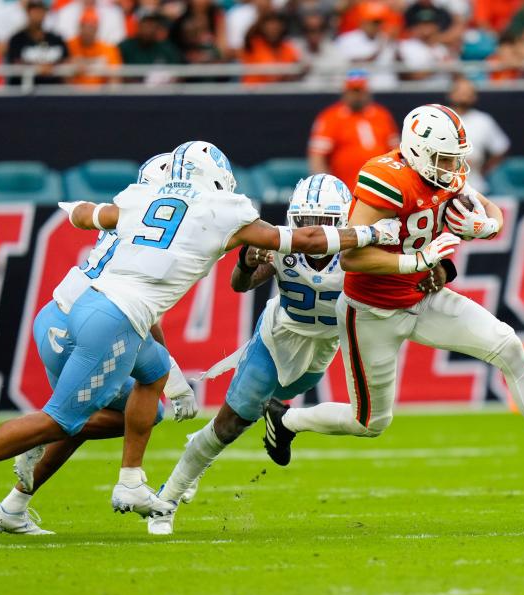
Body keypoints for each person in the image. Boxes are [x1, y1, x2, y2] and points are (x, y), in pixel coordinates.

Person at [0, 140, 403, 530]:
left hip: (71, 308)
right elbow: (302, 240)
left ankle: (107, 483)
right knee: (67, 420)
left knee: (151, 382)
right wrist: (368, 235)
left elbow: (94, 214)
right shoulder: (223, 208)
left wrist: (72, 209)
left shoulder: (140, 199)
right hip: (111, 319)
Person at [259, 104, 524, 490]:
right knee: (370, 422)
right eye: (444, 159)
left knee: (509, 347)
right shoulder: (386, 178)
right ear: (418, 151)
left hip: (423, 298)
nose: (453, 168)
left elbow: (486, 207)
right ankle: (286, 419)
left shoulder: (445, 174)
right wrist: (416, 262)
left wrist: (489, 225)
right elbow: (352, 256)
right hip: (371, 311)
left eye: (456, 159)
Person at [149, 174, 449, 535]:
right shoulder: (280, 243)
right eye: (307, 222)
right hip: (280, 336)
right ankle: (167, 500)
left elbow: (416, 266)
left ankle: (218, 442)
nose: (315, 231)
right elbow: (240, 284)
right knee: (231, 422)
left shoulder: (361, 249)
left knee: (275, 413)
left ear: (345, 222)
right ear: (294, 220)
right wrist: (246, 261)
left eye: (324, 222)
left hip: (325, 348)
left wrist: (439, 272)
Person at [0, 155, 198, 535]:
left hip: (63, 319)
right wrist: (177, 381)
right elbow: (142, 313)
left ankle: (13, 506)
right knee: (74, 419)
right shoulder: (150, 230)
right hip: (85, 328)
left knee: (84, 419)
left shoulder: (134, 218)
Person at [308, 70, 399, 191]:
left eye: (360, 91)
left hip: (382, 187)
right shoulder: (331, 116)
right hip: (345, 189)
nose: (357, 96)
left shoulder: (381, 114)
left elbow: (396, 152)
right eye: (353, 91)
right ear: (345, 92)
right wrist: (326, 187)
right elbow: (317, 156)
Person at [447, 76, 510, 194]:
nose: (464, 95)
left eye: (468, 93)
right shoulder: (439, 118)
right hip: (442, 185)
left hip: (475, 185)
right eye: (460, 91)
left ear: (474, 97)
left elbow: (501, 147)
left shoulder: (483, 120)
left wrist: (484, 168)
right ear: (451, 94)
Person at [7, 0, 69, 86]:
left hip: (54, 91)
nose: (38, 15)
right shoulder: (17, 39)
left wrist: (53, 67)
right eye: (34, 11)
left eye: (41, 11)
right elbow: (15, 63)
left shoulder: (56, 39)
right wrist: (38, 68)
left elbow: (66, 60)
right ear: (28, 13)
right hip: (24, 92)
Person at [240, 12, 301, 85]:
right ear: (262, 27)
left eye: (276, 26)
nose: (273, 30)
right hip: (254, 92)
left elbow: (294, 71)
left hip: (280, 92)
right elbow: (247, 36)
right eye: (269, 26)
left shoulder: (288, 48)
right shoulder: (252, 45)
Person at [118, 10, 182, 68]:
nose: (148, 29)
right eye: (145, 25)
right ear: (138, 26)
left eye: (151, 25)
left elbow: (177, 71)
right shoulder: (125, 46)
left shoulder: (166, 48)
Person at [47, 0, 126, 46]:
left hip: (105, 57)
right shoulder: (65, 12)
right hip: (74, 56)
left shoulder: (114, 12)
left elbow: (118, 38)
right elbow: (62, 37)